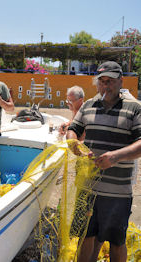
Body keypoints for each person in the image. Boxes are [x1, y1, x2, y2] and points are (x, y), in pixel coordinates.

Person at [66, 61, 141, 262]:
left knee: (116, 241)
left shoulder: (134, 108)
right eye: (102, 82)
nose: (106, 86)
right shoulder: (89, 105)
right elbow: (74, 128)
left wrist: (116, 156)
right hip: (88, 188)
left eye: (110, 81)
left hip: (117, 192)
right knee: (86, 236)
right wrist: (72, 142)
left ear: (121, 81)